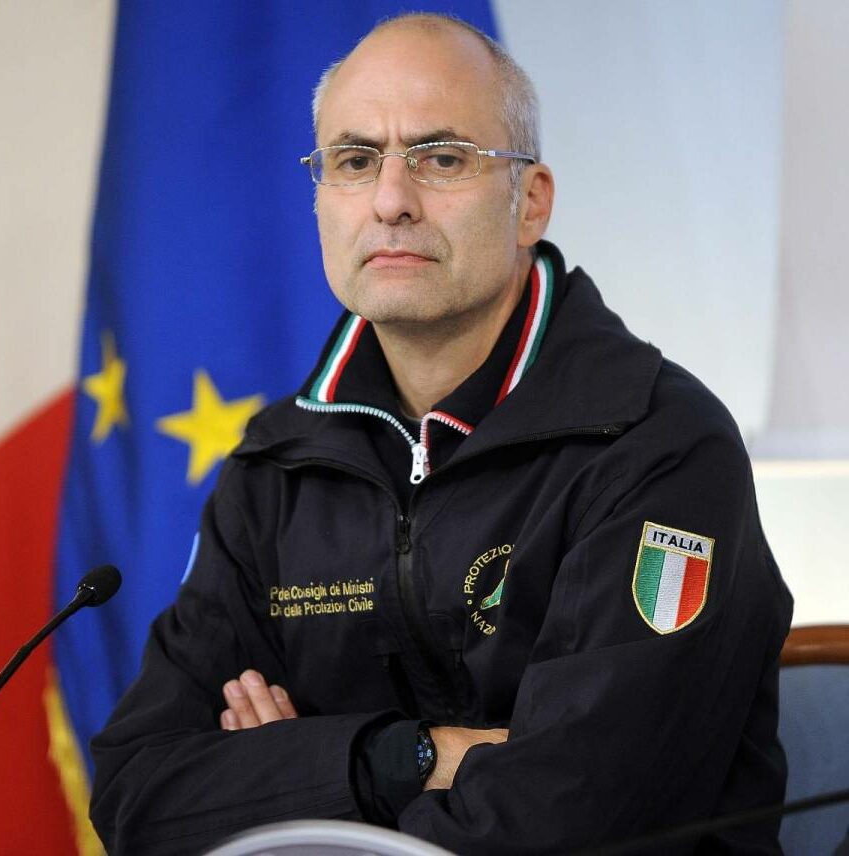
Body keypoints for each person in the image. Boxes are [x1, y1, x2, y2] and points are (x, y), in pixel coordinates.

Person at [90, 13, 793, 855]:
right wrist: (399, 757)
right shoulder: (276, 466)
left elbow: (575, 820)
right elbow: (137, 795)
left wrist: (291, 774)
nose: (392, 200)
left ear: (530, 202)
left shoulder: (657, 447)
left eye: (442, 158)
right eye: (355, 161)